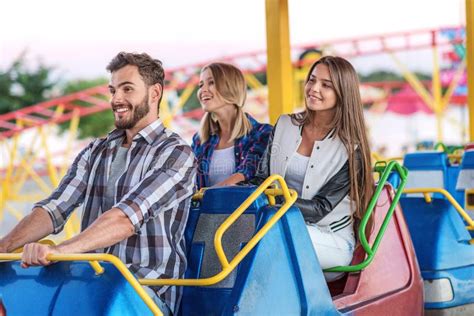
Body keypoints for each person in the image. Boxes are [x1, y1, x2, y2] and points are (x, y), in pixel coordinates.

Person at [0, 52, 196, 315]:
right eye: (113, 90)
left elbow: (125, 219)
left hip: (143, 292)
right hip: (90, 283)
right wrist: (5, 246)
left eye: (127, 89)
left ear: (154, 93)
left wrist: (60, 251)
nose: (116, 99)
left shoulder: (175, 153)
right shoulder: (96, 151)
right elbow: (55, 207)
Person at [251, 56, 374, 281]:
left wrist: (273, 202)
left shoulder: (352, 148)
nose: (314, 89)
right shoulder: (285, 124)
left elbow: (320, 209)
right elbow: (262, 178)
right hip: (278, 223)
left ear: (342, 92)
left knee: (273, 236)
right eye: (312, 80)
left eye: (326, 85)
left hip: (330, 239)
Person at [191, 62, 272, 189]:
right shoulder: (199, 140)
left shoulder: (262, 133)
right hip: (207, 208)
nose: (203, 90)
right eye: (201, 85)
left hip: (244, 208)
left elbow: (247, 172)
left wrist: (206, 195)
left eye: (211, 82)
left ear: (231, 88)